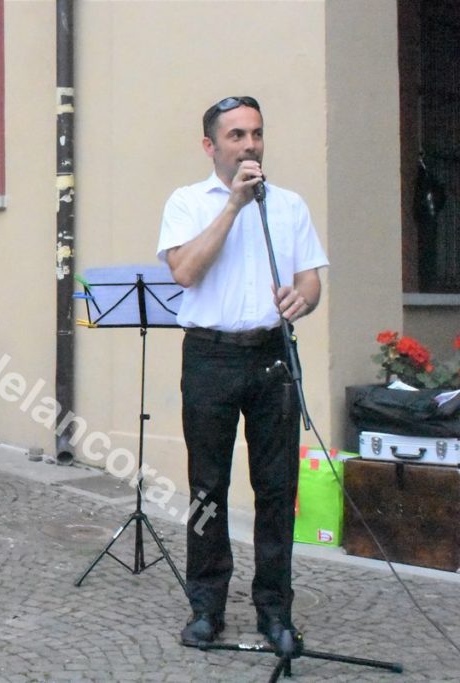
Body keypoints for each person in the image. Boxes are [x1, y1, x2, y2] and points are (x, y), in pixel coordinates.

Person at [156, 96, 328, 653]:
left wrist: (301, 299)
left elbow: (311, 281)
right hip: (209, 357)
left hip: (271, 355)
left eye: (255, 133)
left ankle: (275, 611)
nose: (249, 144)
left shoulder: (290, 206)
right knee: (209, 487)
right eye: (235, 136)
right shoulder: (186, 203)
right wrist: (232, 205)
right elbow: (184, 271)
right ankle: (206, 608)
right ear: (211, 146)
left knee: (277, 490)